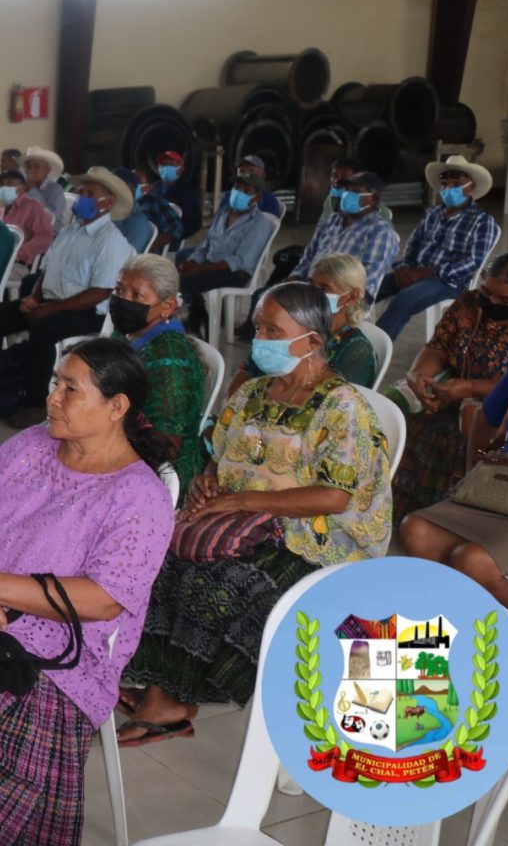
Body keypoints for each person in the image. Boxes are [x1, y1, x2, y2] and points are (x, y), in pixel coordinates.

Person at [0, 339, 174, 843]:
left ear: (117, 408)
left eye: (71, 389)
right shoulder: (32, 444)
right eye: (56, 383)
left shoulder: (139, 498)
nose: (53, 398)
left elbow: (103, 599)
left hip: (56, 653)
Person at [119, 282, 392, 744]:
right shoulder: (253, 393)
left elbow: (334, 498)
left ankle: (174, 698)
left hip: (317, 540)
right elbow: (220, 456)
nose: (259, 339)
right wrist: (210, 484)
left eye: (272, 330)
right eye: (259, 327)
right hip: (246, 521)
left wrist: (243, 501)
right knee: (158, 560)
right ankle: (162, 683)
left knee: (218, 583)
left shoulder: (342, 406)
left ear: (311, 340)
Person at [401, 326, 508, 611]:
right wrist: (474, 475)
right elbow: (485, 419)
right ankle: (460, 626)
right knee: (417, 530)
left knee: (473, 559)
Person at [388, 252, 508, 519]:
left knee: (467, 424)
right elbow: (438, 347)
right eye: (486, 292)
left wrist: (470, 388)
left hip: (506, 406)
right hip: (454, 391)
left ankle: (454, 515)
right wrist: (418, 374)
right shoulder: (468, 303)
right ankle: (407, 512)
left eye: (505, 300)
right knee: (408, 416)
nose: (491, 303)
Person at [0, 168, 135, 426]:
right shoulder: (70, 231)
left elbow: (100, 291)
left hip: (86, 311)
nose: (82, 198)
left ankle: (35, 403)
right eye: (81, 192)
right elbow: (47, 271)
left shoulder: (110, 240)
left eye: (90, 194)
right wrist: (35, 298)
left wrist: (49, 309)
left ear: (108, 202)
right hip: (50, 302)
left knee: (43, 330)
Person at [107, 255, 208, 492]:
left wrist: (102, 452)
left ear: (167, 306)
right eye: (120, 290)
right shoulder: (128, 333)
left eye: (137, 295)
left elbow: (166, 445)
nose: (123, 300)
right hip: (118, 441)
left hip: (156, 473)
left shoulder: (170, 359)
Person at [373, 156, 501, 340]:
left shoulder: (482, 221)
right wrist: (403, 269)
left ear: (471, 188)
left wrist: (427, 272)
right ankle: (340, 339)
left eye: (456, 184)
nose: (449, 189)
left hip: (449, 281)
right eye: (444, 184)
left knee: (403, 301)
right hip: (416, 272)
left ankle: (373, 352)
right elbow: (413, 245)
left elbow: (473, 261)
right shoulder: (432, 213)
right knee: (368, 288)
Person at [227, 255, 377, 396]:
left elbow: (338, 405)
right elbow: (245, 371)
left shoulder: (356, 349)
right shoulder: (291, 327)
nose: (312, 292)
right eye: (311, 284)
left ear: (351, 297)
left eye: (324, 288)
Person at [176, 169, 278, 331]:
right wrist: (192, 262)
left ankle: (194, 321)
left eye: (246, 191)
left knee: (184, 282)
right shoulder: (223, 214)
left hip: (236, 272)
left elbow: (239, 261)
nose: (239, 193)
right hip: (212, 263)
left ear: (257, 197)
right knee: (182, 263)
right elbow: (206, 246)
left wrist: (200, 269)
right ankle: (198, 313)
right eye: (237, 188)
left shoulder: (259, 224)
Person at [288, 169, 399, 301]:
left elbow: (366, 282)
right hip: (310, 289)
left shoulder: (380, 231)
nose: (347, 195)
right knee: (263, 296)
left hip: (338, 299)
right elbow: (308, 257)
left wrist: (325, 293)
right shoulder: (332, 221)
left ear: (373, 199)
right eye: (346, 190)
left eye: (356, 192)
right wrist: (293, 279)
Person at [0, 166, 55, 271]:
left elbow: (45, 237)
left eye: (9, 184)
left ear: (22, 189)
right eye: (1, 184)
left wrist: (18, 254)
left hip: (19, 264)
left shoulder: (32, 206)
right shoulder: (0, 211)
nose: (4, 187)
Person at [317, 157, 394, 223]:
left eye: (344, 179)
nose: (336, 181)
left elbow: (387, 228)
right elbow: (322, 224)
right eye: (334, 176)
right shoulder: (331, 199)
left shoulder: (368, 200)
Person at [151, 150, 202, 241]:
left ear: (181, 169)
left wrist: (175, 236)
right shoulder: (154, 188)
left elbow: (194, 223)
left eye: (171, 164)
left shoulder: (188, 192)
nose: (167, 167)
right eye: (163, 164)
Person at [133, 166, 185, 253]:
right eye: (131, 183)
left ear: (150, 187)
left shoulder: (155, 202)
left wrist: (150, 246)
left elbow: (176, 228)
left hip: (144, 253)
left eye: (138, 183)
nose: (134, 188)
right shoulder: (127, 204)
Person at [213, 155, 284, 218]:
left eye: (251, 171)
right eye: (242, 171)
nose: (246, 175)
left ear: (263, 176)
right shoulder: (228, 196)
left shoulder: (269, 200)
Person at [110, 167, 155, 254]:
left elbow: (125, 260)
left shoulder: (137, 223)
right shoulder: (108, 213)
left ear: (131, 189)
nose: (108, 190)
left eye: (114, 185)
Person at [23, 146, 67, 231]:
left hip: (51, 236)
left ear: (47, 170)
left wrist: (32, 190)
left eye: (36, 167)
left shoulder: (55, 190)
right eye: (29, 167)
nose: (32, 170)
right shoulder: (24, 187)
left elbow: (51, 219)